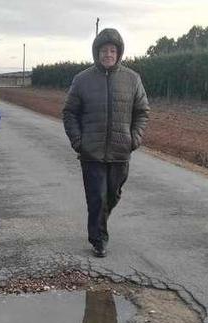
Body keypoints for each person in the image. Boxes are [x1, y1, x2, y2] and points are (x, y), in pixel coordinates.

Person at [62, 28, 149, 258]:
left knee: (113, 194)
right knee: (97, 197)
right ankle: (98, 239)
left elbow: (142, 111)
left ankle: (99, 224)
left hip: (121, 151)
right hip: (91, 152)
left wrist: (135, 138)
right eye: (103, 50)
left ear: (119, 53)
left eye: (112, 50)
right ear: (96, 53)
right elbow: (69, 112)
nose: (108, 54)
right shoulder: (82, 80)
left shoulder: (132, 79)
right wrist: (79, 141)